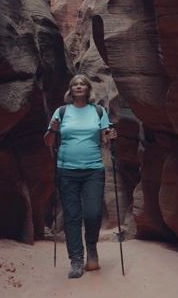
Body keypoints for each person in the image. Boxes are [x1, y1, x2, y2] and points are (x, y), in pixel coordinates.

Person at [43, 74, 117, 279]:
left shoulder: (98, 111)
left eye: (82, 84)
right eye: (74, 84)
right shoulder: (61, 112)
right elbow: (49, 142)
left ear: (87, 89)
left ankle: (91, 248)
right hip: (66, 171)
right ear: (70, 90)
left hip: (93, 170)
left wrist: (111, 136)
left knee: (93, 213)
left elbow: (106, 141)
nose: (78, 86)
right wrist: (53, 130)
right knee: (72, 216)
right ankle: (76, 259)